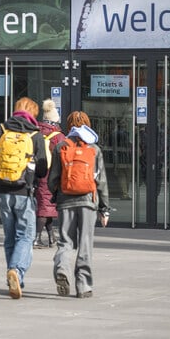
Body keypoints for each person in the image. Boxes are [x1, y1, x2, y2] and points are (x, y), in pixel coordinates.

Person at [0, 96, 48, 299]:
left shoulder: (0, 129)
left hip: (2, 193)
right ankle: (16, 271)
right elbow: (42, 169)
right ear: (33, 113)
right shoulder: (35, 134)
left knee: (10, 237)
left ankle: (15, 278)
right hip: (24, 193)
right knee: (25, 236)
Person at [47, 117, 110, 298]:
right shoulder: (94, 149)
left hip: (65, 201)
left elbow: (53, 179)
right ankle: (83, 286)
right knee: (85, 243)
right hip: (88, 202)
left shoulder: (61, 147)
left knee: (65, 241)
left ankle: (62, 269)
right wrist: (104, 208)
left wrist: (57, 194)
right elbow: (101, 180)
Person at [34, 100, 64, 248]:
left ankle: (51, 237)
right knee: (44, 208)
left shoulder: (36, 132)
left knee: (46, 206)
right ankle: (36, 238)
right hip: (50, 175)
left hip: (36, 175)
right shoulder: (58, 136)